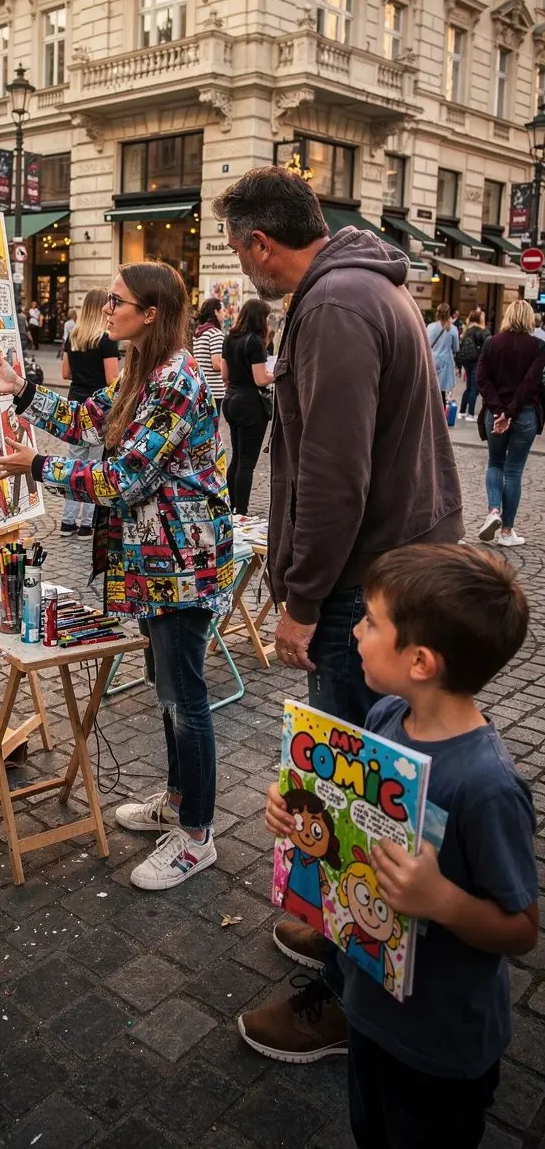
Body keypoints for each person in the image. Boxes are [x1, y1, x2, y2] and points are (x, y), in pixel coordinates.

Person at [212, 166, 462, 1060]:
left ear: (258, 244)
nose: (244, 272)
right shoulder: (362, 289)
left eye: (240, 255)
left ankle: (346, 1000)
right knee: (357, 779)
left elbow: (332, 474)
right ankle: (339, 930)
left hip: (365, 585)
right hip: (387, 569)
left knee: (354, 791)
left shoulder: (335, 306)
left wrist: (303, 601)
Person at [248, 544, 537, 1148]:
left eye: (371, 620)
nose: (354, 628)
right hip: (370, 1008)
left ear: (422, 662)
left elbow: (521, 930)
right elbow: (348, 831)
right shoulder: (384, 717)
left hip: (440, 1043)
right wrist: (296, 815)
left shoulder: (487, 786)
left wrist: (443, 900)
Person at [0, 262, 234, 892]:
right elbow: (95, 422)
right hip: (156, 560)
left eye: (117, 302)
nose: (106, 311)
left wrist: (37, 466)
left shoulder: (176, 383)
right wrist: (25, 394)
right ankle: (176, 800)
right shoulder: (145, 372)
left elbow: (123, 479)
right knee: (167, 688)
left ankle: (197, 835)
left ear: (151, 313)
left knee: (185, 696)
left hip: (181, 563)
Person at [476, 299, 545, 549]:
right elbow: (530, 383)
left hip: (495, 414)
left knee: (495, 463)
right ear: (529, 318)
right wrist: (512, 412)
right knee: (514, 470)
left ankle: (493, 510)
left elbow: (481, 379)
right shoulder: (538, 346)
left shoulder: (491, 342)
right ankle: (506, 531)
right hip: (525, 415)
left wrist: (499, 412)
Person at [59, 288, 119, 539]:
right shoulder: (106, 339)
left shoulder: (74, 336)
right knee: (94, 465)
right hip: (97, 408)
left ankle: (67, 521)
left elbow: (64, 374)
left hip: (74, 405)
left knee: (74, 463)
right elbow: (112, 380)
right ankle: (87, 523)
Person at [221, 297, 275, 514]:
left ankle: (231, 506)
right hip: (250, 404)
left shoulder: (230, 338)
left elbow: (224, 374)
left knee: (236, 456)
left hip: (231, 400)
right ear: (259, 318)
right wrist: (277, 373)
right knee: (247, 462)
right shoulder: (254, 342)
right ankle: (241, 511)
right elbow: (260, 379)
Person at [192, 297, 226, 419]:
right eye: (222, 310)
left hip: (201, 388)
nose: (224, 314)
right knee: (213, 427)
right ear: (216, 312)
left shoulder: (199, 332)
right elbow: (216, 364)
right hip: (215, 391)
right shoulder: (215, 334)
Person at [456, 309, 489, 422]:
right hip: (477, 362)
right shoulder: (481, 330)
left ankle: (461, 411)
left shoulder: (467, 330)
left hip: (467, 361)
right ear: (479, 318)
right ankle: (470, 413)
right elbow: (487, 345)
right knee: (474, 389)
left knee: (468, 387)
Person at [427, 303, 458, 409]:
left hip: (432, 362)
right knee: (442, 394)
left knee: (431, 391)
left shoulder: (430, 327)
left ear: (437, 313)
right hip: (445, 363)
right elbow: (456, 348)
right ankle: (441, 419)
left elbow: (426, 345)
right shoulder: (453, 329)